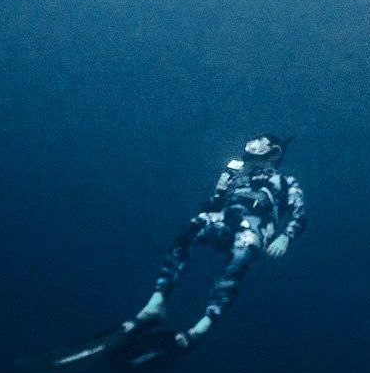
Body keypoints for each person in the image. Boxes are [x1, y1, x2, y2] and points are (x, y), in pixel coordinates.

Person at [128, 134, 306, 354]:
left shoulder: (287, 182)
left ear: (274, 152)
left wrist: (286, 236)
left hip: (255, 228)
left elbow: (299, 213)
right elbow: (216, 202)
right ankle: (158, 300)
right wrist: (219, 194)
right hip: (225, 220)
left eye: (262, 142)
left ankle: (204, 324)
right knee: (192, 227)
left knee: (241, 254)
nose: (255, 145)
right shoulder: (236, 173)